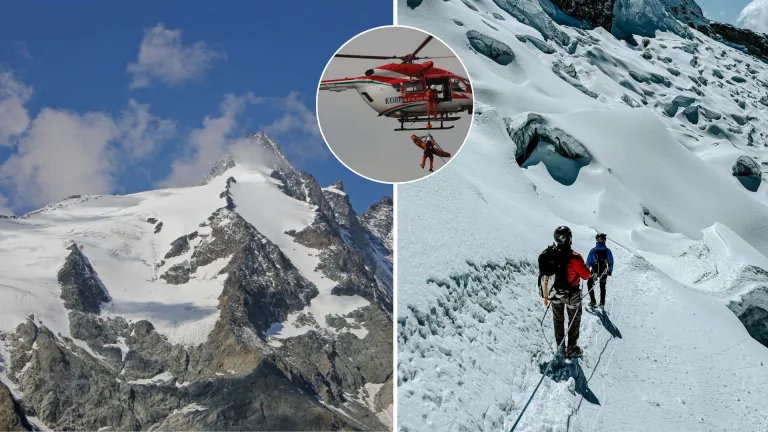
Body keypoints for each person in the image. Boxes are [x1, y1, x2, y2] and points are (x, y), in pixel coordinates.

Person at [550, 226, 591, 358]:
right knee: (574, 319)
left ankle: (560, 346)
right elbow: (586, 275)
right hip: (571, 295)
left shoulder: (551, 254)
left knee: (558, 318)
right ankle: (572, 347)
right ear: (569, 239)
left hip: (555, 294)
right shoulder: (575, 258)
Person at [586, 233, 614, 308]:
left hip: (594, 272)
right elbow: (611, 262)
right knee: (602, 286)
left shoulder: (593, 251)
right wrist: (610, 271)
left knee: (589, 284)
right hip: (604, 272)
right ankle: (602, 302)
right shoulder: (608, 251)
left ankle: (593, 301)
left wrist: (586, 270)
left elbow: (588, 262)